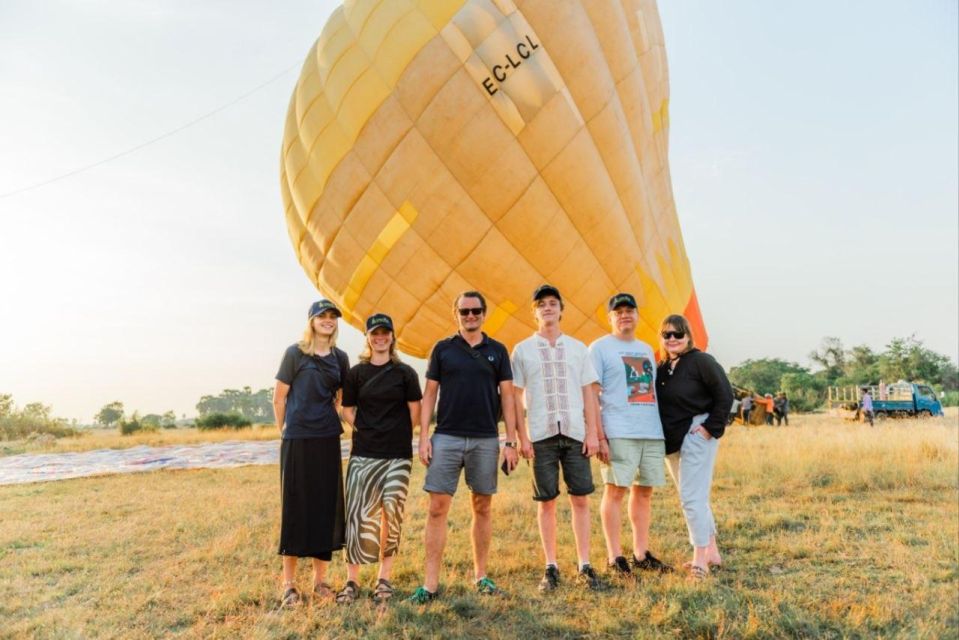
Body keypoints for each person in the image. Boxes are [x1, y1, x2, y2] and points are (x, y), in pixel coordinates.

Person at [408, 291, 519, 604]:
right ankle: (430, 585)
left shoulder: (498, 350)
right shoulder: (442, 349)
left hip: (485, 437)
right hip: (447, 436)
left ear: (485, 313)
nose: (470, 316)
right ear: (455, 314)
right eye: (464, 311)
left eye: (476, 311)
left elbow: (508, 397)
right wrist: (424, 436)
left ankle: (481, 576)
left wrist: (510, 441)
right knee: (436, 508)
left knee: (482, 506)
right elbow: (430, 394)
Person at [511, 285, 602, 592]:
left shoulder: (578, 348)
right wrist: (521, 436)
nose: (547, 308)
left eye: (553, 303)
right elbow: (516, 395)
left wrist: (592, 433)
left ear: (562, 309)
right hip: (541, 433)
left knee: (580, 499)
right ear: (534, 312)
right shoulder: (522, 350)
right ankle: (551, 565)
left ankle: (584, 563)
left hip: (575, 432)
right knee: (546, 501)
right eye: (541, 305)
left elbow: (588, 391)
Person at [337, 313, 423, 604]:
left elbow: (416, 410)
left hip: (397, 456)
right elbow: (346, 408)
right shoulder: (356, 373)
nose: (380, 337)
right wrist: (364, 428)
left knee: (391, 514)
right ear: (368, 338)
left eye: (385, 333)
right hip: (363, 454)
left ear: (392, 336)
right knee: (359, 516)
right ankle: (352, 580)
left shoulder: (405, 373)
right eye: (375, 333)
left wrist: (398, 433)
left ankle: (384, 579)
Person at [589, 292, 673, 580]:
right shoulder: (599, 348)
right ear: (610, 317)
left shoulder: (647, 348)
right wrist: (599, 435)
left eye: (630, 310)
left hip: (650, 429)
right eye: (619, 311)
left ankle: (641, 553)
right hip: (618, 429)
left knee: (645, 491)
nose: (625, 315)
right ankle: (615, 555)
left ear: (637, 315)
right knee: (615, 490)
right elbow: (591, 393)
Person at [273, 300, 351, 606]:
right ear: (311, 321)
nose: (328, 321)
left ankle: (320, 582)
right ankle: (289, 584)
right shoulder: (295, 353)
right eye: (322, 316)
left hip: (328, 438)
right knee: (295, 508)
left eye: (332, 317)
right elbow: (279, 397)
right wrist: (285, 430)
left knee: (324, 508)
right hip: (297, 439)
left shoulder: (340, 358)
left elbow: (343, 398)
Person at [656, 314, 733, 581]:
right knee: (695, 496)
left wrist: (710, 428)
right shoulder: (663, 368)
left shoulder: (701, 361)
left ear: (688, 336)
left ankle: (700, 559)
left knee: (691, 498)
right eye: (667, 335)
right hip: (673, 440)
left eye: (678, 334)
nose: (673, 339)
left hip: (696, 434)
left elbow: (725, 393)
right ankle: (712, 550)